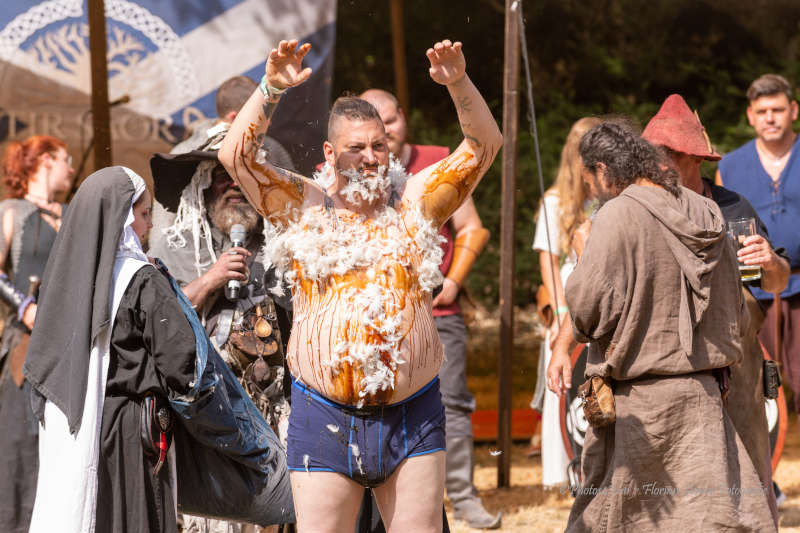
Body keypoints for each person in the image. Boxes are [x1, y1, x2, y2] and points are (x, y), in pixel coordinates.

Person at [219, 38, 501, 532]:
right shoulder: (301, 204)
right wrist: (270, 88)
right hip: (322, 413)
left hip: (413, 414)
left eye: (378, 145)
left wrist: (458, 82)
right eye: (356, 148)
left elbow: (484, 147)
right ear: (330, 152)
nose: (370, 157)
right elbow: (235, 158)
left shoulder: (415, 201)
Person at [23, 166, 293, 532]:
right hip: (134, 435)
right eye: (145, 214)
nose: (149, 225)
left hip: (85, 427)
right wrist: (234, 436)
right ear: (122, 217)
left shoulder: (71, 283)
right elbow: (184, 369)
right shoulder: (142, 279)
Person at [547, 123, 775, 531]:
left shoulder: (614, 217)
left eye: (590, 181)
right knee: (707, 519)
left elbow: (586, 314)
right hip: (704, 399)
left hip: (638, 407)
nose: (593, 191)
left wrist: (583, 255)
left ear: (603, 169)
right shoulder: (706, 209)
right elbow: (735, 313)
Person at [643, 93, 789, 522]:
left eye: (670, 155)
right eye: (655, 156)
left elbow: (775, 282)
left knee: (750, 470)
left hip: (739, 365)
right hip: (671, 364)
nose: (661, 165)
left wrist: (771, 260)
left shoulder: (734, 207)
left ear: (696, 159)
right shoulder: (641, 209)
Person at [359, 89, 497, 529]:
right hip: (376, 321)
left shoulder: (437, 159)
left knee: (452, 404)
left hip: (438, 313)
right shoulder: (351, 171)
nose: (387, 131)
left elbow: (473, 229)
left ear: (404, 118)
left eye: (391, 120)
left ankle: (464, 496)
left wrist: (453, 283)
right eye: (375, 125)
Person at [149, 137, 292, 533]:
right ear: (203, 187)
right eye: (221, 177)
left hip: (274, 421)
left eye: (242, 177)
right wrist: (209, 280)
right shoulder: (174, 248)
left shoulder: (283, 250)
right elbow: (158, 328)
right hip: (206, 423)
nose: (232, 186)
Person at [0, 135, 74, 533]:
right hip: (24, 350)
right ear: (45, 160)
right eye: (66, 160)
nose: (72, 168)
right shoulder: (10, 211)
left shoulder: (72, 215)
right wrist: (26, 306)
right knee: (19, 452)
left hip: (71, 350)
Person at [717, 74, 800, 412]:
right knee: (753, 385)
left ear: (793, 110)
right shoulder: (729, 165)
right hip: (752, 291)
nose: (770, 117)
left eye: (777, 109)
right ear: (750, 115)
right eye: (762, 110)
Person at [530, 117, 602, 490]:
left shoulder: (612, 198)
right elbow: (549, 261)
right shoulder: (555, 201)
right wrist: (560, 314)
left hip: (605, 306)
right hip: (568, 306)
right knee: (564, 389)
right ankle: (564, 473)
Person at [152, 75, 294, 240]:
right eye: (262, 118)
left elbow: (293, 209)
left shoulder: (273, 149)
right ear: (235, 118)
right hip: (198, 256)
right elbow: (162, 227)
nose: (268, 125)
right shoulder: (183, 154)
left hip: (261, 249)